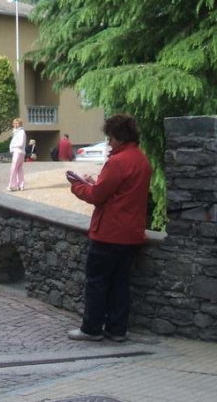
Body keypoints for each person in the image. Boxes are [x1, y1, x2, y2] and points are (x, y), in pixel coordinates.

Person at [65, 114, 151, 342]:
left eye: (110, 138)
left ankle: (91, 328)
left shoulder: (117, 161)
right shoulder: (142, 160)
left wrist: (77, 186)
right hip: (131, 233)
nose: (109, 143)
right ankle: (117, 329)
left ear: (119, 137)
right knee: (120, 283)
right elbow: (120, 192)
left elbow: (97, 196)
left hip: (109, 233)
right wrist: (96, 183)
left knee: (97, 282)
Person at [7, 118, 27, 191]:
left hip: (18, 151)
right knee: (19, 169)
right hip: (20, 152)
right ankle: (20, 185)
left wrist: (13, 146)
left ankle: (12, 185)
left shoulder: (21, 132)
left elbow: (21, 143)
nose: (15, 125)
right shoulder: (18, 132)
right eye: (14, 123)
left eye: (17, 123)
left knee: (13, 168)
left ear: (20, 124)